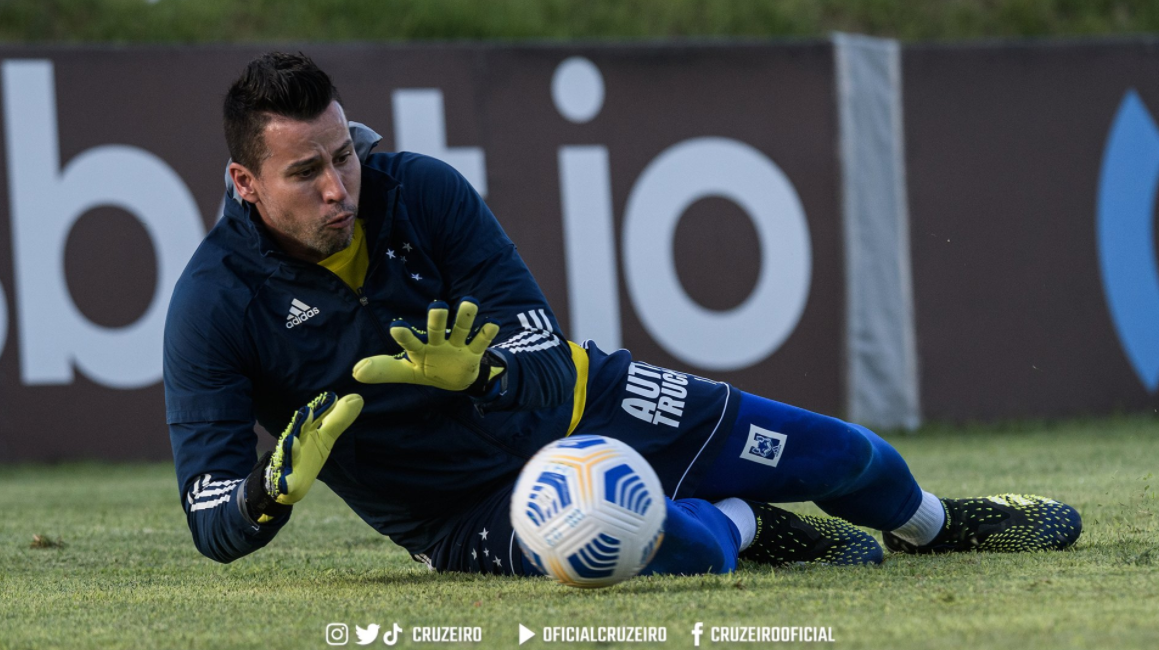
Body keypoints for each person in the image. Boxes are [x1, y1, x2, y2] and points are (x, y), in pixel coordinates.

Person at [164, 52, 1081, 577]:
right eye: (305, 172)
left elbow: (539, 341)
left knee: (848, 456)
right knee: (688, 554)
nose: (339, 187)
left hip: (579, 403)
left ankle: (933, 524)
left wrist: (484, 372)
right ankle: (750, 524)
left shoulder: (421, 191)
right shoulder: (212, 307)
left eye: (342, 156)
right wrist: (269, 491)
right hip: (465, 509)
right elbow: (215, 525)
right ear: (244, 183)